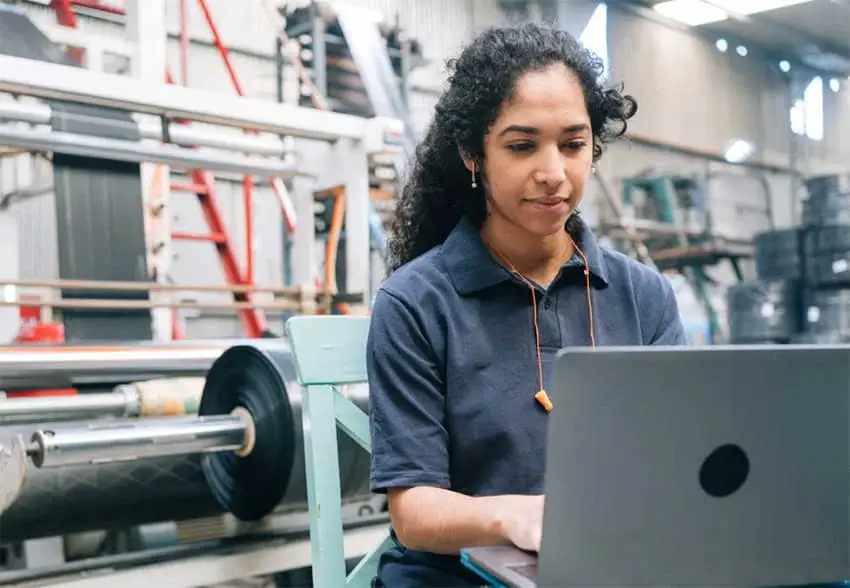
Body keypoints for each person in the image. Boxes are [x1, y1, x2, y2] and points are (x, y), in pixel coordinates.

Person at [365, 22, 688, 587]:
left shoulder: (644, 297)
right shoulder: (415, 304)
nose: (553, 174)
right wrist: (514, 516)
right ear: (472, 154)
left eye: (573, 144)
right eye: (521, 146)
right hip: (455, 576)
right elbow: (414, 513)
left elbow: (677, 463)